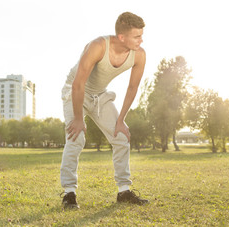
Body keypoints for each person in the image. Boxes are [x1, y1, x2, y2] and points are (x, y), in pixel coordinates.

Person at [60, 12, 148, 209]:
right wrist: (77, 118)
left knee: (121, 137)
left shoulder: (139, 54)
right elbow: (77, 84)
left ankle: (124, 190)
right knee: (76, 137)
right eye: (137, 36)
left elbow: (132, 88)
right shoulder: (98, 46)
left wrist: (121, 120)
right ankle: (69, 193)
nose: (141, 40)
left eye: (141, 35)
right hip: (75, 92)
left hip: (100, 95)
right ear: (122, 37)